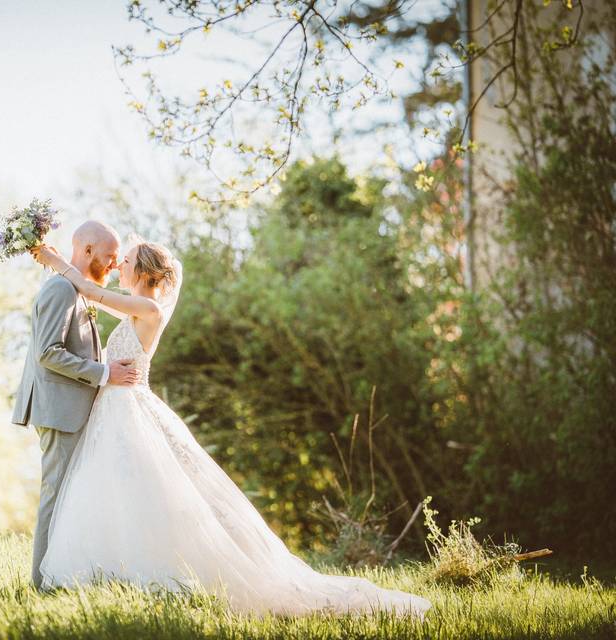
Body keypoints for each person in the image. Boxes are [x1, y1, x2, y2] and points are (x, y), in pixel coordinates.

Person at [28, 239, 432, 619]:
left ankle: (152, 572)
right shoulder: (136, 307)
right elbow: (92, 293)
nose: (120, 266)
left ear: (145, 272)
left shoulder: (148, 311)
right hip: (113, 411)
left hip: (129, 410)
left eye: (127, 262)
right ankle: (107, 570)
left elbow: (89, 289)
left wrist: (52, 258)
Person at [11, 220, 141, 589]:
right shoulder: (60, 289)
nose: (114, 265)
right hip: (59, 410)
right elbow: (47, 353)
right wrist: (104, 374)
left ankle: (65, 578)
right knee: (56, 495)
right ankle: (41, 584)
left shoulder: (79, 291)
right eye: (109, 256)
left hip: (73, 410)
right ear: (86, 251)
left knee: (72, 496)